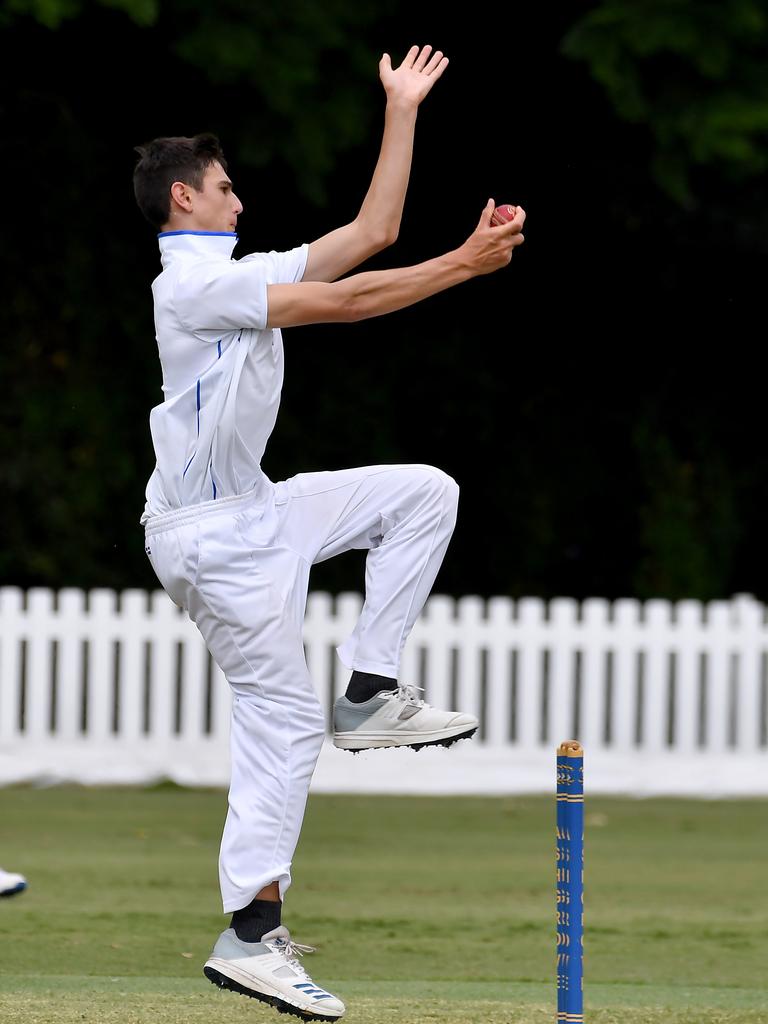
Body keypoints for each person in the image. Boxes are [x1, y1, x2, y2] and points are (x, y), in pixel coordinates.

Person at [133, 44, 525, 1022]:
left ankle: (369, 689)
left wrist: (402, 110)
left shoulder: (232, 271)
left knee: (422, 494)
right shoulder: (192, 287)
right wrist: (466, 267)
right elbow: (346, 304)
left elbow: (373, 233)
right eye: (224, 187)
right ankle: (252, 938)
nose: (239, 198)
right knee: (278, 720)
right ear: (183, 199)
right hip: (212, 539)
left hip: (252, 510)